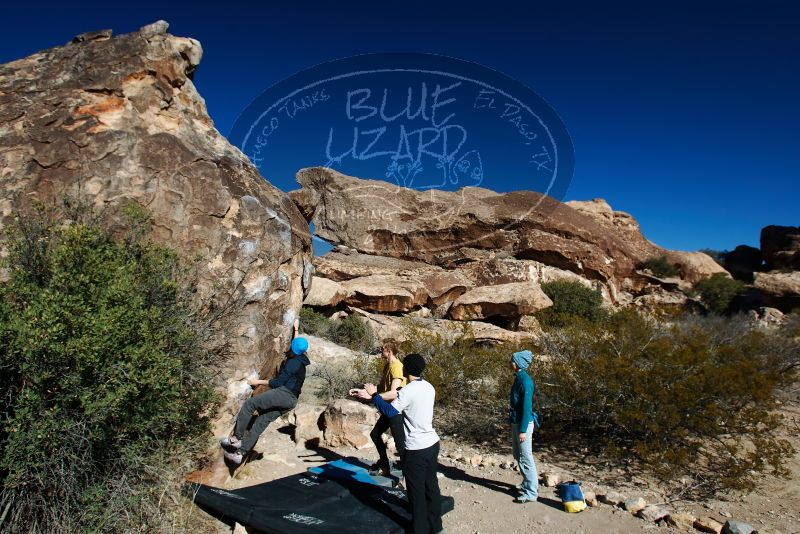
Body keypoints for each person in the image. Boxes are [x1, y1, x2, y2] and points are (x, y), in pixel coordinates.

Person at [366, 353, 442, 534]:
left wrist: (374, 395)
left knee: (416, 494)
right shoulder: (429, 387)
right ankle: (436, 527)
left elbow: (390, 412)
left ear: (406, 369)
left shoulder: (408, 391)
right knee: (431, 487)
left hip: (416, 448)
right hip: (432, 442)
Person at [221, 318, 310, 465]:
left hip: (284, 393)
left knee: (250, 405)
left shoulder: (292, 363)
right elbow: (297, 344)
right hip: (292, 401)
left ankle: (236, 438)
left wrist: (258, 382)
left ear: (293, 349)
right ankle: (240, 453)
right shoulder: (301, 359)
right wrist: (295, 329)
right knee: (261, 422)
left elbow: (278, 383)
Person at [349, 338, 407, 475]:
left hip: (397, 411)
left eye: (383, 349)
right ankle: (385, 465)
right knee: (375, 434)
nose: (381, 351)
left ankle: (408, 477)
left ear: (389, 351)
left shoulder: (397, 367)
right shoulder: (388, 366)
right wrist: (362, 391)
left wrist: (373, 396)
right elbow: (380, 388)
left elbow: (394, 393)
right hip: (388, 409)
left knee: (401, 445)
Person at [509, 349, 539, 504]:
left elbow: (527, 408)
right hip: (518, 422)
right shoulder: (519, 377)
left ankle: (531, 492)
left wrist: (522, 430)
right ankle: (527, 484)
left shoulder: (525, 381)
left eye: (512, 360)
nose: (510, 362)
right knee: (518, 455)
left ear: (518, 363)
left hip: (524, 425)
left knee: (526, 457)